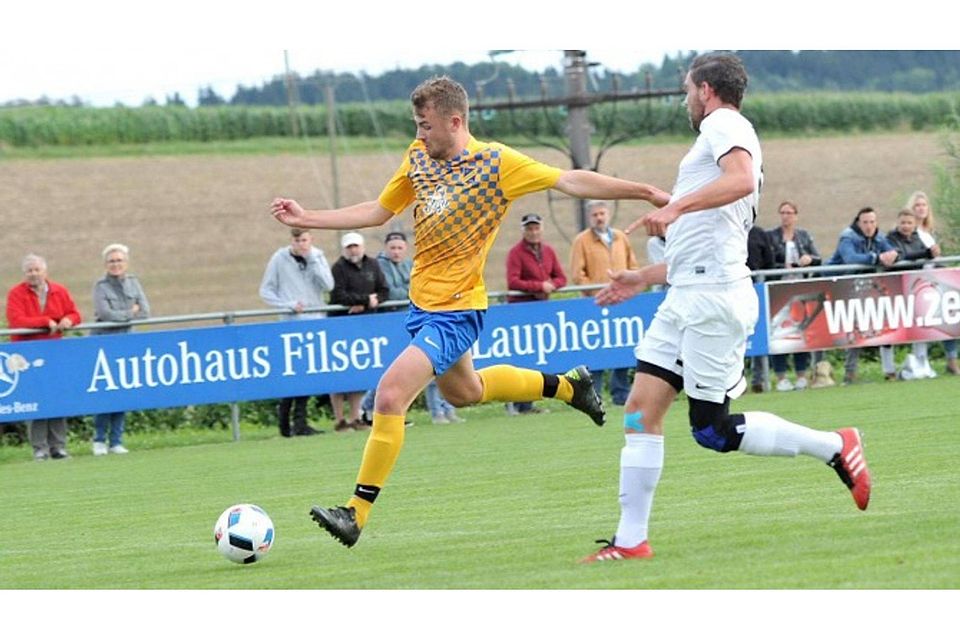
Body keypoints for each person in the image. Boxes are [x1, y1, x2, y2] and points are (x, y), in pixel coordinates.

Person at [270, 74, 668, 548]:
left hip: (457, 310)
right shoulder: (418, 157)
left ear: (454, 121)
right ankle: (569, 386)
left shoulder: (496, 162)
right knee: (465, 392)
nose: (419, 135)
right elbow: (380, 211)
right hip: (422, 307)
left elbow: (571, 180)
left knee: (391, 396)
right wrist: (307, 216)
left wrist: (643, 190)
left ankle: (354, 513)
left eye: (425, 125)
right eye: (416, 126)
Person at [582, 53, 872, 563]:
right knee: (638, 414)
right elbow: (700, 250)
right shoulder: (714, 136)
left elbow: (739, 178)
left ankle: (834, 444)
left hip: (714, 303)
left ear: (708, 90)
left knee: (712, 431)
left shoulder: (724, 123)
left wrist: (672, 206)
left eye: (687, 88)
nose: (684, 98)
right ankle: (631, 542)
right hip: (687, 296)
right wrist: (641, 277)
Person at [359, 230, 461, 425]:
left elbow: (422, 287)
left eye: (400, 248)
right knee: (394, 370)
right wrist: (412, 291)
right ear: (386, 248)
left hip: (414, 319)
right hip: (390, 322)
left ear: (406, 249)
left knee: (432, 364)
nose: (396, 252)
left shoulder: (410, 265)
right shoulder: (380, 266)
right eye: (393, 248)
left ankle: (443, 411)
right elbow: (391, 292)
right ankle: (368, 406)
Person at [5, 253, 82, 461]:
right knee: (35, 401)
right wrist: (44, 321)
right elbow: (16, 320)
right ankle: (40, 448)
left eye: (37, 270)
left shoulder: (59, 291)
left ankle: (59, 446)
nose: (33, 274)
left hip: (54, 353)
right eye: (29, 270)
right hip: (27, 354)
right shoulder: (16, 294)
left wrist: (68, 320)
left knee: (57, 399)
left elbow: (76, 314)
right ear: (24, 273)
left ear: (45, 272)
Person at [259, 227, 334, 437]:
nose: (301, 244)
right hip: (291, 324)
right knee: (292, 372)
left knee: (309, 373)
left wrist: (311, 260)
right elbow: (266, 290)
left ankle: (300, 421)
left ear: (311, 240)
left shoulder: (317, 257)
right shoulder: (279, 259)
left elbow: (328, 285)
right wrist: (287, 304)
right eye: (297, 240)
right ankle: (284, 421)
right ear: (291, 241)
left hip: (315, 322)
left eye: (304, 240)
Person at [570, 200, 639, 405]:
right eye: (595, 215)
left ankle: (621, 393)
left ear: (608, 214)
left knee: (622, 347)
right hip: (595, 303)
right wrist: (599, 291)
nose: (599, 218)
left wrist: (626, 287)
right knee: (596, 352)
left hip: (621, 301)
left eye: (602, 213)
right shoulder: (581, 241)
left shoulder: (620, 237)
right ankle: (595, 394)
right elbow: (577, 274)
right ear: (590, 217)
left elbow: (632, 265)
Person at [827, 206, 899, 384]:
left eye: (872, 222)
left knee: (873, 325)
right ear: (858, 222)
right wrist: (877, 258)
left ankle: (884, 372)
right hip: (834, 287)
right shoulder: (848, 237)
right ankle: (844, 375)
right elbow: (850, 258)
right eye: (865, 222)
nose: (869, 226)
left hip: (862, 289)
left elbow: (892, 251)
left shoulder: (879, 237)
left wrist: (893, 255)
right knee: (845, 331)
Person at [90, 243, 151, 454]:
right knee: (105, 392)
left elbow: (145, 311)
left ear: (126, 263)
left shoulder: (134, 283)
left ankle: (116, 440)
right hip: (104, 343)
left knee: (122, 391)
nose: (116, 264)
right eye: (112, 261)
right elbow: (106, 315)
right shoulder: (100, 286)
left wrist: (126, 314)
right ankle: (99, 439)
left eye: (119, 260)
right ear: (105, 264)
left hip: (127, 342)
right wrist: (129, 312)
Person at [504, 212, 567, 415]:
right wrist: (538, 285)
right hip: (522, 310)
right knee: (523, 359)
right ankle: (520, 403)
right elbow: (513, 281)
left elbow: (561, 278)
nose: (533, 232)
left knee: (538, 358)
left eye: (536, 227)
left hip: (541, 310)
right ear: (524, 230)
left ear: (541, 228)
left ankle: (530, 402)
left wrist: (551, 285)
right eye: (529, 228)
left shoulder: (548, 251)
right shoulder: (515, 253)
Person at [329, 231, 389, 433]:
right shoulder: (338, 268)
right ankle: (340, 419)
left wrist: (372, 301)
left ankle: (355, 417)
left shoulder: (373, 264)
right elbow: (338, 294)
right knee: (339, 373)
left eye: (356, 246)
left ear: (362, 247)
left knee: (359, 371)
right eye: (349, 247)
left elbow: (384, 290)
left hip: (365, 324)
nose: (353, 250)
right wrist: (365, 300)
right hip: (342, 324)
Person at [766, 200, 822, 391]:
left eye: (789, 212)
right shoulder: (771, 237)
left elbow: (818, 259)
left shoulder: (804, 236)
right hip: (777, 290)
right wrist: (782, 267)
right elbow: (766, 262)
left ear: (796, 216)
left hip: (800, 289)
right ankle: (781, 376)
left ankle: (801, 375)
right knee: (778, 334)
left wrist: (810, 260)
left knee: (800, 332)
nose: (786, 216)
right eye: (782, 212)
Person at [906, 190, 959, 375]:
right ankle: (921, 362)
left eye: (924, 205)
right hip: (921, 282)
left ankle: (952, 359)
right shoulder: (912, 233)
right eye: (917, 205)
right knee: (923, 321)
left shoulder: (930, 232)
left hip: (938, 280)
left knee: (950, 317)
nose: (921, 209)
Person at [746, 224, 775, 393]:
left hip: (755, 289)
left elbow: (769, 263)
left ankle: (758, 379)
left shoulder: (758, 233)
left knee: (757, 334)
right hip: (728, 291)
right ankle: (735, 382)